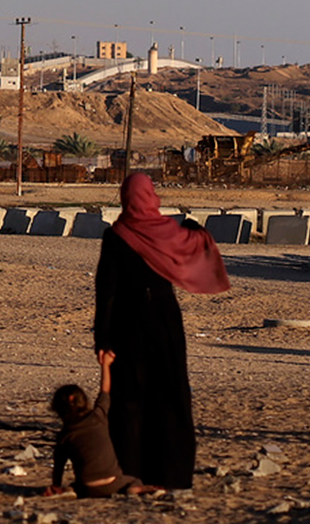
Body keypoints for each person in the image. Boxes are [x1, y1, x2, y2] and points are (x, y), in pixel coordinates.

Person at [94, 172, 230, 490]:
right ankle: (172, 474)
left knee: (128, 399)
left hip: (126, 326)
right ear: (151, 197)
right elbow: (198, 240)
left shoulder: (116, 236)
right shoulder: (170, 232)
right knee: (170, 394)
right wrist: (195, 228)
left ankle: (129, 472)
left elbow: (106, 292)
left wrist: (102, 339)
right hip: (164, 322)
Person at [45, 351, 155, 498]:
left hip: (86, 488)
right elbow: (105, 391)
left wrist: (56, 485)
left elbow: (58, 466)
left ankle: (69, 492)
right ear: (83, 401)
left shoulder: (64, 435)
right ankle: (136, 489)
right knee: (134, 480)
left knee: (73, 486)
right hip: (113, 482)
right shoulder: (98, 416)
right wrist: (105, 365)